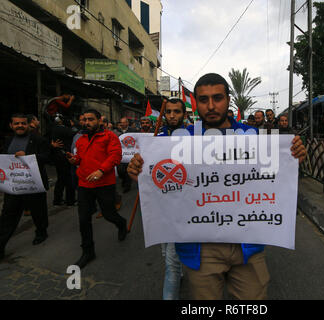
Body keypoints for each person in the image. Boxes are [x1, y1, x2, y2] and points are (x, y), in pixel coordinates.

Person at [127, 73, 306, 300]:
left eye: (218, 98)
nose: (211, 106)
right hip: (201, 249)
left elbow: (273, 176)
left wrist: (294, 156)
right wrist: (140, 174)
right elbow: (163, 183)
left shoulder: (253, 137)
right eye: (203, 100)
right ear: (196, 104)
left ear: (228, 100)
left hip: (247, 247)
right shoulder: (178, 141)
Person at [66, 109, 128, 269]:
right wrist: (74, 160)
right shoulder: (81, 139)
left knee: (108, 214)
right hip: (84, 185)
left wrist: (101, 170)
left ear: (99, 120)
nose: (87, 123)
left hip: (104, 184)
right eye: (84, 120)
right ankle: (88, 251)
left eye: (91, 119)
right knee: (83, 219)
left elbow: (115, 156)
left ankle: (121, 224)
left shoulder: (109, 136)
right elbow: (80, 158)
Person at [0, 114, 51, 261]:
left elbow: (48, 157)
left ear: (28, 125)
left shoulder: (38, 140)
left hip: (33, 184)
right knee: (7, 216)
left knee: (38, 211)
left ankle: (41, 233)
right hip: (14, 185)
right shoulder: (8, 140)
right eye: (16, 124)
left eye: (23, 123)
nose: (20, 126)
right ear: (11, 125)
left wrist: (28, 155)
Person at [158, 98, 187, 300]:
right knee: (164, 252)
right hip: (161, 208)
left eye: (176, 111)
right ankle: (181, 272)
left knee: (171, 262)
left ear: (184, 114)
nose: (172, 115)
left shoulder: (195, 136)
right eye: (168, 112)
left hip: (183, 207)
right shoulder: (156, 138)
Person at [51, 115, 76, 206]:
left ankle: (57, 200)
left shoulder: (53, 129)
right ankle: (70, 200)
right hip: (65, 156)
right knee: (68, 179)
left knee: (61, 179)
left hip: (58, 157)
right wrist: (72, 126)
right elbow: (74, 133)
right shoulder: (64, 129)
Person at [114, 117, 138, 193]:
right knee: (120, 171)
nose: (123, 124)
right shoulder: (116, 131)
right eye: (121, 122)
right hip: (120, 154)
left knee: (128, 172)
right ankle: (124, 180)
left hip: (129, 155)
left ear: (127, 123)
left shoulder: (133, 131)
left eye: (124, 122)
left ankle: (127, 186)